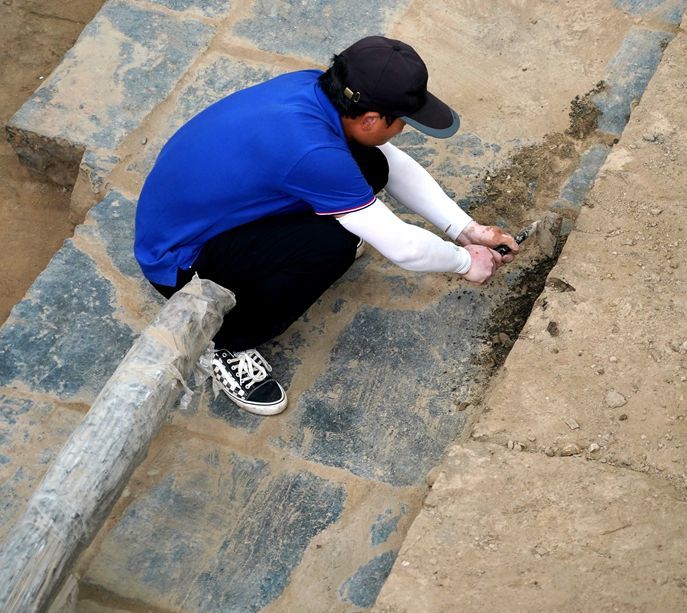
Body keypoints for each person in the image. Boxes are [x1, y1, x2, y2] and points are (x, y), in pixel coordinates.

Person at [134, 36, 518, 416]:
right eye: (402, 121)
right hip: (181, 261)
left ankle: (300, 244)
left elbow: (392, 164)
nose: (403, 129)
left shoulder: (315, 88)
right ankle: (225, 342)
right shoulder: (312, 150)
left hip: (200, 216)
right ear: (370, 118)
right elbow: (405, 248)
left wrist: (465, 229)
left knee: (370, 165)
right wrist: (465, 263)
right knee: (335, 241)